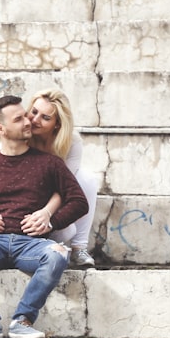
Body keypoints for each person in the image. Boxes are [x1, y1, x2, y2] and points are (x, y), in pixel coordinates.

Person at [0, 95, 88, 338]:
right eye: (19, 119)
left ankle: (23, 320)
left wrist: (51, 221)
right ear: (1, 129)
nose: (28, 122)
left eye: (26, 115)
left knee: (58, 253)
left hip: (32, 245)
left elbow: (79, 202)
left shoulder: (51, 164)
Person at [26, 88, 99, 267]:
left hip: (53, 199)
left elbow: (66, 185)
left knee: (86, 179)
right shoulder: (19, 133)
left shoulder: (71, 141)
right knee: (65, 231)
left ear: (57, 124)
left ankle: (78, 248)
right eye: (34, 112)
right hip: (25, 203)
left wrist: (47, 213)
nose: (35, 120)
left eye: (46, 117)